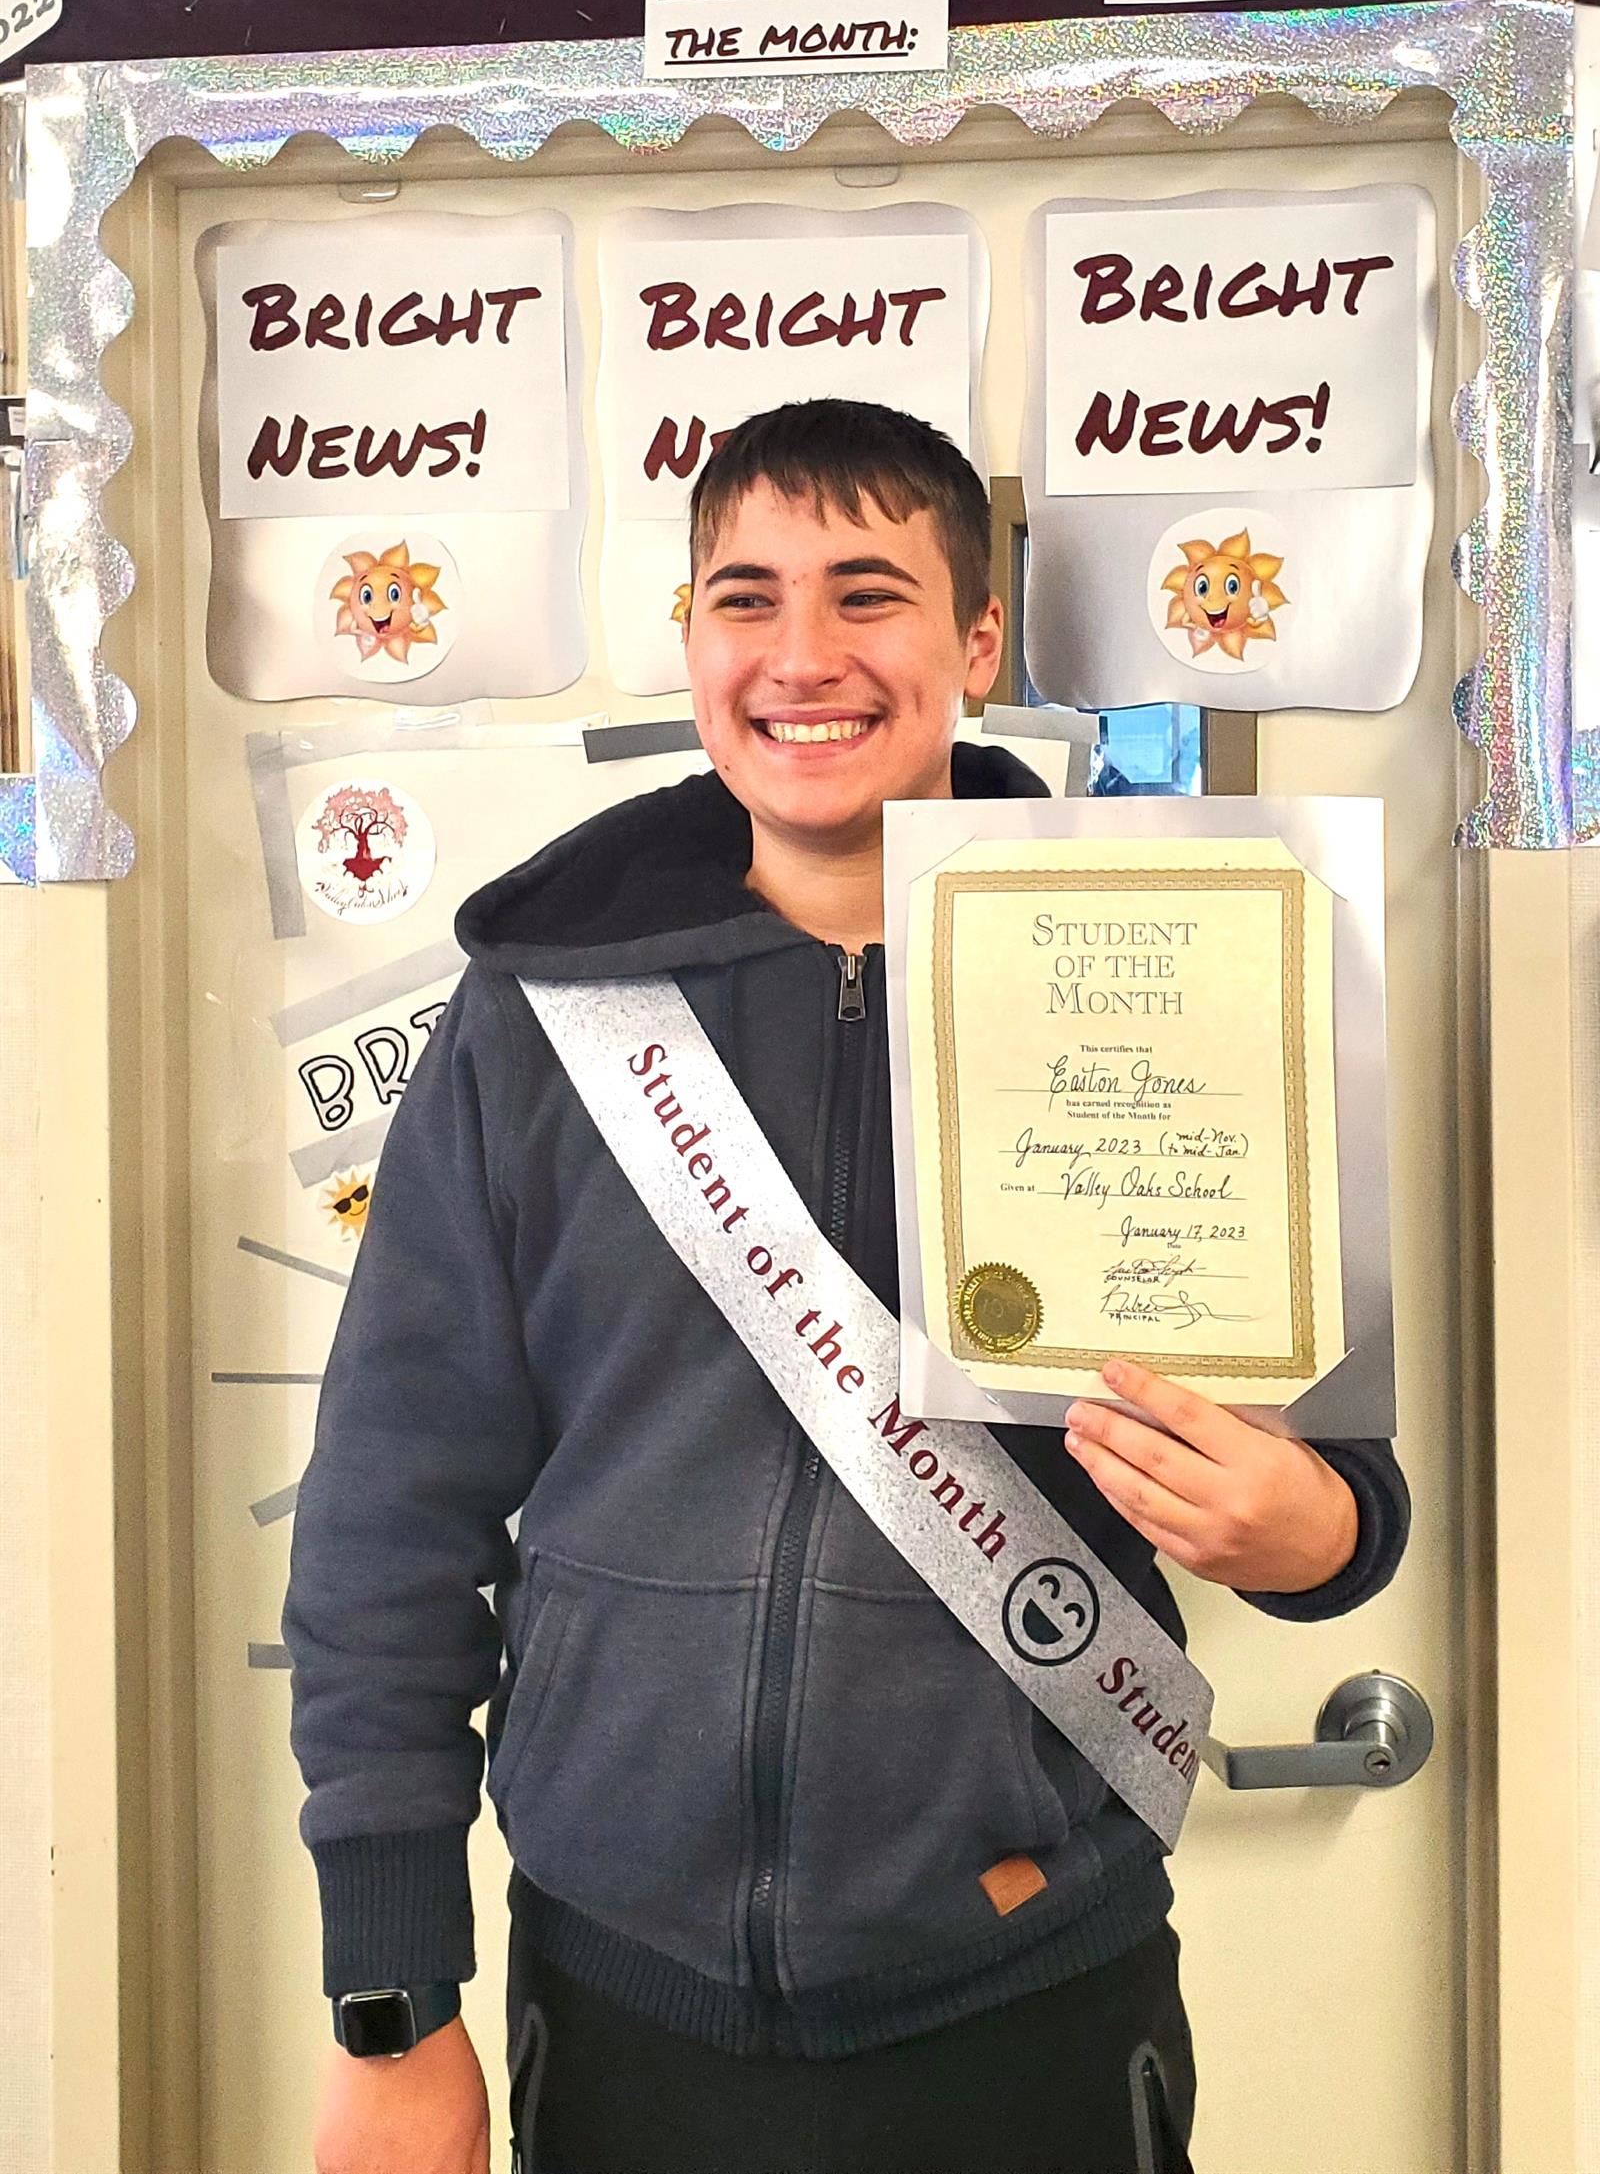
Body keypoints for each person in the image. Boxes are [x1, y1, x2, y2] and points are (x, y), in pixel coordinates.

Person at [286, 397, 1409, 2174]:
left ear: (975, 638)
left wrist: (1315, 1529)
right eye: (747, 597)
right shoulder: (539, 1017)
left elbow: (1345, 1490)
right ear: (690, 635)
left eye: (867, 595)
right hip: (623, 1997)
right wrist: (389, 1995)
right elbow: (385, 1527)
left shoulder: (1189, 959)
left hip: (1031, 1979)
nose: (801, 656)